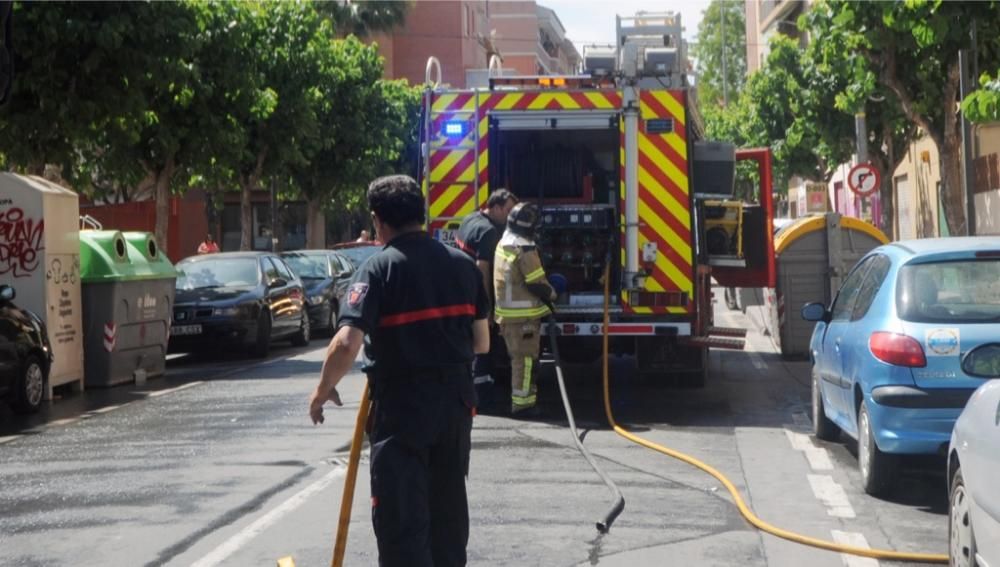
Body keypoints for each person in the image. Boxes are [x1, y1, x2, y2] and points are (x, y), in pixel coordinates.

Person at [309, 174, 490, 567]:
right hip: (455, 407)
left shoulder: (377, 271)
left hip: (403, 407)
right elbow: (482, 343)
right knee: (447, 515)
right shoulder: (464, 266)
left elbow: (345, 343)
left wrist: (323, 389)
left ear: (378, 220)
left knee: (401, 520)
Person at [493, 202, 556, 417]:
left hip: (508, 314)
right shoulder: (525, 247)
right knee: (526, 362)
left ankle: (522, 400)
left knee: (519, 360)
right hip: (524, 318)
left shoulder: (505, 241)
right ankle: (523, 405)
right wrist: (553, 295)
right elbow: (536, 281)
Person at [455, 189, 518, 401]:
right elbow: (482, 268)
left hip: (460, 290)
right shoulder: (489, 231)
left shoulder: (470, 218)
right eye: (508, 211)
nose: (511, 216)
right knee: (484, 343)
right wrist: (488, 308)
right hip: (475, 293)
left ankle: (472, 385)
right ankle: (482, 393)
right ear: (496, 208)